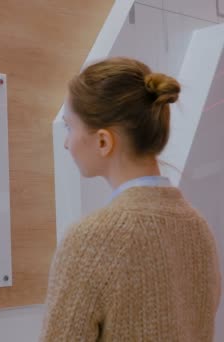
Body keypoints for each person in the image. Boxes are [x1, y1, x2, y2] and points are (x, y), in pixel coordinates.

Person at [41, 57, 221, 341]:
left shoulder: (91, 238)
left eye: (69, 127)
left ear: (103, 141)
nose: (66, 142)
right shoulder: (198, 227)